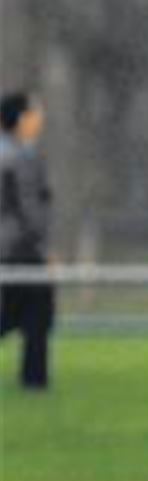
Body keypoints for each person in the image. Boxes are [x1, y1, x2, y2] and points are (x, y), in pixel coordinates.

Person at [0, 91, 54, 390]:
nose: (40, 118)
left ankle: (34, 381)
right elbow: (29, 208)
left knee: (17, 312)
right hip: (21, 248)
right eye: (36, 112)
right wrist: (43, 246)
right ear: (21, 118)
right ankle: (34, 381)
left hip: (8, 248)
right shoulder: (20, 156)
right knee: (36, 314)